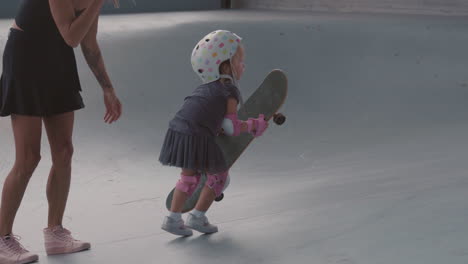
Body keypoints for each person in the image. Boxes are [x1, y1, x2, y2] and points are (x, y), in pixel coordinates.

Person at [0, 0, 122, 262]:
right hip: (26, 56)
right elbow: (71, 36)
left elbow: (89, 43)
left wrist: (108, 89)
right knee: (29, 157)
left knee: (64, 151)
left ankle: (55, 233)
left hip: (57, 58)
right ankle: (2, 239)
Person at [159, 30, 268, 236]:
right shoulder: (229, 90)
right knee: (219, 177)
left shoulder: (206, 88)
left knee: (188, 177)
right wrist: (253, 124)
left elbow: (205, 114)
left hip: (178, 132)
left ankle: (172, 219)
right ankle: (197, 216)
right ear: (226, 67)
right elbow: (231, 128)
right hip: (198, 136)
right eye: (240, 61)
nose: (243, 65)